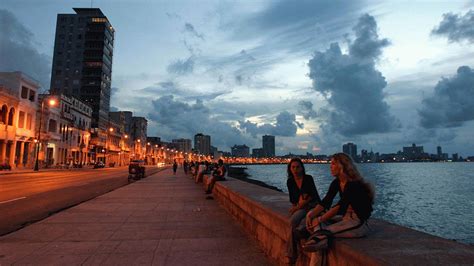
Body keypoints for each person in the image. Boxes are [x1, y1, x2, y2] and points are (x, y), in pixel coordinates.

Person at [303, 153, 374, 253]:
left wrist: (319, 220)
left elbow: (340, 206)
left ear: (342, 166)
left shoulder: (353, 184)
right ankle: (316, 236)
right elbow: (326, 201)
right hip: (345, 219)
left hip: (357, 223)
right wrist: (310, 216)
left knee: (322, 235)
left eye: (333, 164)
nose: (330, 166)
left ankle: (316, 237)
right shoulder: (337, 182)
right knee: (314, 219)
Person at [285, 158, 321, 265]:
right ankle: (291, 255)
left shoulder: (308, 178)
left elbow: (311, 196)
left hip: (313, 206)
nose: (295, 169)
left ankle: (291, 255)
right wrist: (298, 205)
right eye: (293, 167)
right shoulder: (290, 181)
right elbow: (293, 199)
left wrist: (299, 205)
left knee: (306, 222)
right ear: (290, 169)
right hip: (301, 207)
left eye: (298, 167)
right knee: (292, 222)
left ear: (302, 168)